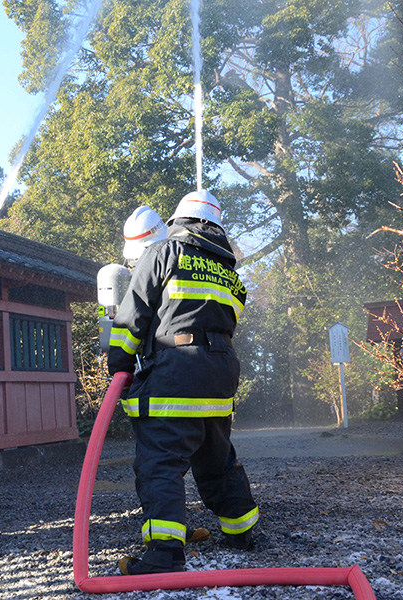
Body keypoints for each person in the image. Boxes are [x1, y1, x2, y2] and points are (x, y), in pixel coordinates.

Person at [108, 191, 259, 575]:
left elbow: (131, 320)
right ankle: (242, 531)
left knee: (161, 462)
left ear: (178, 222)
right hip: (220, 372)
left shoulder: (163, 254)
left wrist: (120, 370)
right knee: (217, 457)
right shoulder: (231, 274)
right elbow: (224, 323)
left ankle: (164, 555)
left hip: (176, 373)